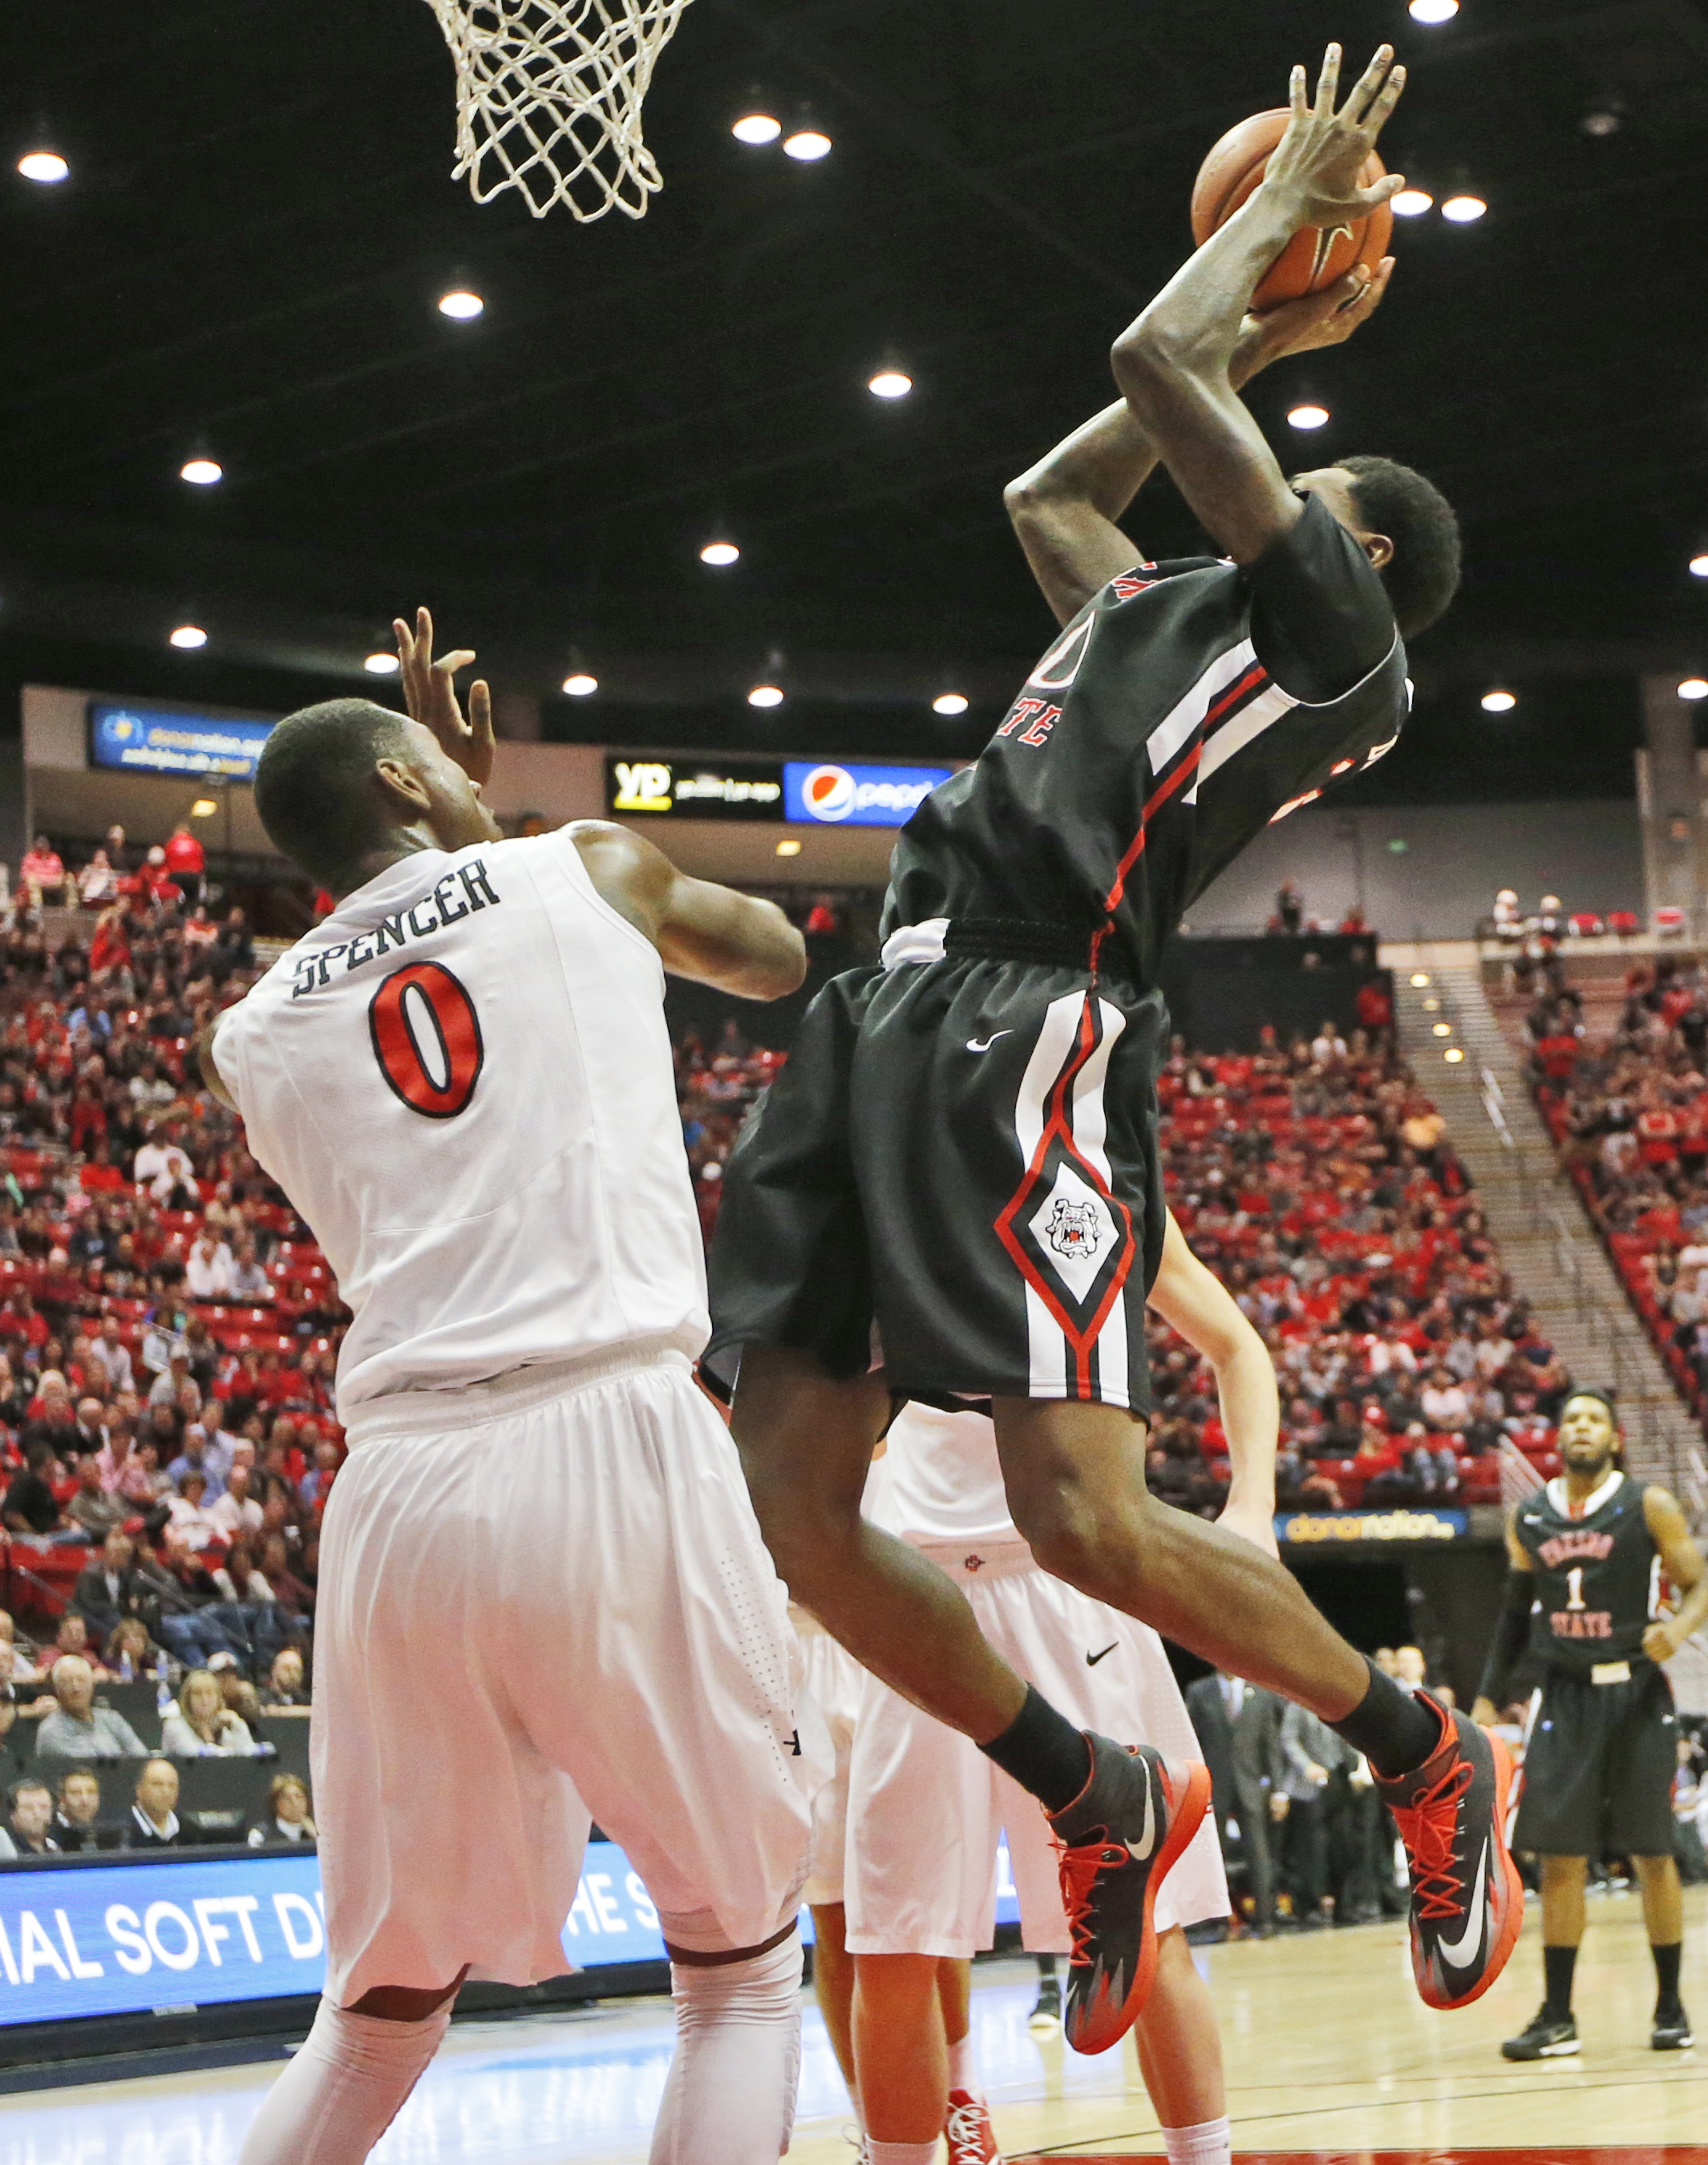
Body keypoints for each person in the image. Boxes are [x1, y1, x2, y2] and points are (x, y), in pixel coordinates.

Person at [704, 41, 1514, 2050]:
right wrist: (1287, 291)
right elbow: (1052, 481)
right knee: (791, 1505)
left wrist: (1265, 247)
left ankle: (1420, 1751)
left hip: (1029, 1008)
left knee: (1081, 1514)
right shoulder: (1145, 594)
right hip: (882, 1003)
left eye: (1293, 473)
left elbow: (1164, 366)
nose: (1262, 469)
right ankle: (1093, 1787)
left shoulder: (1330, 634)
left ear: (1355, 542)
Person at [198, 609, 823, 2165]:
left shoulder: (247, 1036)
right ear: (415, 770)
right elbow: (777, 953)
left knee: (380, 2010)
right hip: (607, 1430)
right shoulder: (584, 868)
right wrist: (507, 825)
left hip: (399, 1493)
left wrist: (447, 829)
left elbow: (414, 952)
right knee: (740, 1964)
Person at [835, 1213, 1257, 2165]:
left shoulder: (1101, 1179)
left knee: (1150, 1930)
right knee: (896, 1941)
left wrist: (1255, 1510)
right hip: (919, 1591)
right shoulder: (871, 1179)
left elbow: (1236, 1345)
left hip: (1071, 1588)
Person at [1472, 1388, 1708, 2057]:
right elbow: (1516, 1615)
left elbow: (1700, 1580)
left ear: (1615, 1436)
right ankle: (1558, 2015)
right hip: (1565, 1695)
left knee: (1653, 1852)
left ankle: (1669, 2005)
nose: (1581, 1427)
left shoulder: (1648, 1505)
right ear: (1560, 1436)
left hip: (1636, 1692)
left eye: (1594, 1419)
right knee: (1561, 1858)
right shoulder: (1532, 1516)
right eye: (1571, 1419)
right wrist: (1488, 1698)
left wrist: (1682, 1628)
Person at [1185, 1669, 1285, 1937]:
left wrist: (1279, 1790)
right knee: (1213, 1855)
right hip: (1211, 1785)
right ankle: (1217, 1920)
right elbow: (1190, 1740)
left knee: (1259, 1853)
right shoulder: (1199, 1691)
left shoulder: (1261, 1691)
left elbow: (1271, 1744)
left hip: (1251, 1784)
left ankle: (1265, 1918)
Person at [35, 1653, 149, 1757]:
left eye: (82, 1680)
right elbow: (86, 1769)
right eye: (67, 1682)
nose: (76, 1688)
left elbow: (142, 1757)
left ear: (92, 1685)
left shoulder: (112, 1719)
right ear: (57, 1689)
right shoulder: (51, 1731)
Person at [161, 1665, 257, 1756]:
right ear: (188, 1699)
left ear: (218, 1698)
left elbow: (248, 1752)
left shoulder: (222, 1726)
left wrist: (237, 1724)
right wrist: (230, 1752)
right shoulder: (174, 1725)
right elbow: (195, 1754)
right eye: (198, 1694)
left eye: (210, 1694)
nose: (205, 1700)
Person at [52, 1766, 118, 1852]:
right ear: (62, 1798)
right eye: (76, 1793)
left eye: (91, 1792)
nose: (85, 1801)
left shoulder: (107, 1834)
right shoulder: (52, 1838)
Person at [127, 1758, 185, 1847]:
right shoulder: (123, 1830)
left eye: (172, 1785)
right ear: (139, 1790)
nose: (166, 1792)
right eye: (157, 1784)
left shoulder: (188, 1829)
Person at [249, 1772, 318, 1847]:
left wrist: (316, 1836)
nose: (295, 1803)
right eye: (287, 1799)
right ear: (276, 1804)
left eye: (299, 1797)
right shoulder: (260, 1835)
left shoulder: (318, 1831)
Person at [7, 1779, 59, 1855]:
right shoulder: (5, 1850)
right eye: (28, 1808)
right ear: (13, 1814)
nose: (37, 1814)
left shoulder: (58, 1847)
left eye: (43, 1807)